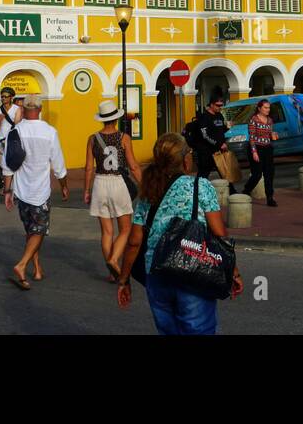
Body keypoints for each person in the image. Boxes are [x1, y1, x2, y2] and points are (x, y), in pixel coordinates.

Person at [115, 133, 243, 335]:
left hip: (157, 274)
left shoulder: (149, 191)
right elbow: (219, 234)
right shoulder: (200, 186)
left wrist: (123, 280)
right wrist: (233, 272)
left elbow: (134, 242)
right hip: (192, 272)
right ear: (185, 159)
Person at [2, 98, 69, 290]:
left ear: (23, 109)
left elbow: (8, 164)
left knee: (31, 231)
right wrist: (64, 185)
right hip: (40, 191)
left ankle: (37, 268)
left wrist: (7, 190)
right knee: (39, 231)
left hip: (21, 191)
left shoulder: (15, 132)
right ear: (40, 109)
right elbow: (58, 164)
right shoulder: (49, 132)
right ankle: (22, 265)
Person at [84, 99, 142, 281]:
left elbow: (88, 168)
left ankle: (111, 272)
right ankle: (114, 258)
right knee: (125, 229)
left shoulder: (93, 139)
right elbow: (132, 165)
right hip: (118, 183)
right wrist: (143, 184)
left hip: (100, 183)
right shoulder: (123, 137)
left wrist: (87, 190)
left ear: (102, 119)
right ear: (116, 119)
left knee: (106, 232)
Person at [183, 95, 230, 186]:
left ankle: (232, 191)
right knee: (203, 173)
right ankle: (197, 191)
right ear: (211, 105)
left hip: (218, 150)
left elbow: (219, 130)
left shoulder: (219, 116)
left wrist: (226, 128)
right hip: (205, 151)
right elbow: (205, 135)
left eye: (221, 105)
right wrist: (218, 144)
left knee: (224, 171)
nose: (219, 107)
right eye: (217, 105)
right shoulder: (204, 117)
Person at [242, 98, 279, 207]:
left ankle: (270, 198)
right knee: (257, 174)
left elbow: (270, 134)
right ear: (259, 108)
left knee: (269, 174)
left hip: (267, 148)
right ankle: (246, 190)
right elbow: (252, 137)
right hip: (256, 148)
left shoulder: (270, 120)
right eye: (265, 108)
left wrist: (273, 135)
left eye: (269, 108)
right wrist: (254, 152)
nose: (268, 110)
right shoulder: (254, 120)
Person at [0, 86, 22, 169]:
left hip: (11, 140)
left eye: (5, 96)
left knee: (10, 164)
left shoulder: (16, 109)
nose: (3, 98)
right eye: (2, 96)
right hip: (0, 139)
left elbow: (17, 126)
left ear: (11, 97)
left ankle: (6, 176)